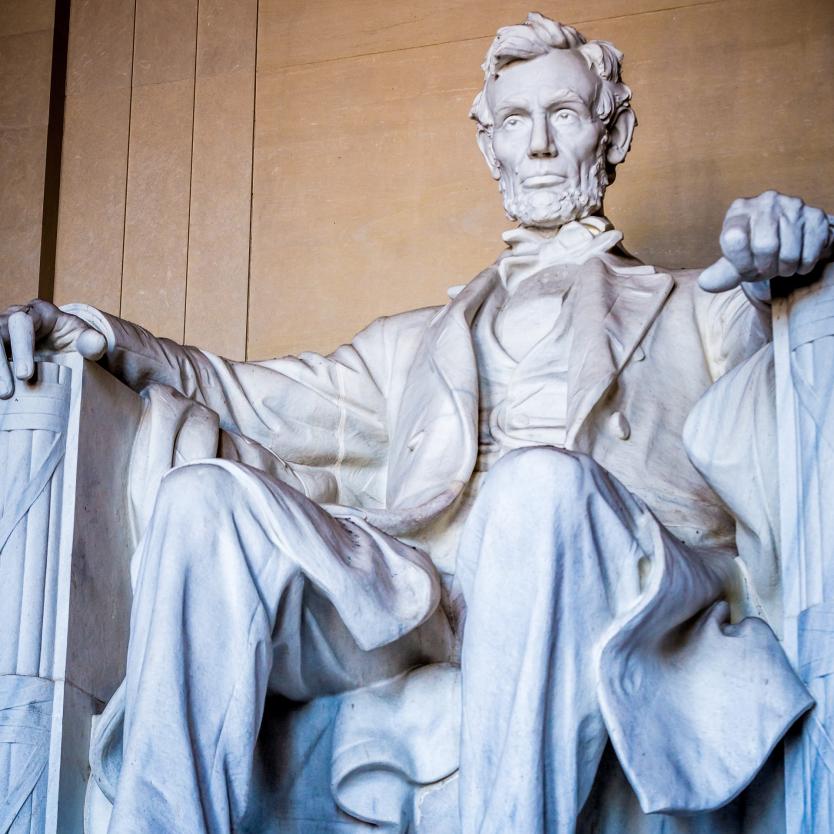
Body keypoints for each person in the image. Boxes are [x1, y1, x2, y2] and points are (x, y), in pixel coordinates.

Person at [1, 12, 829, 834]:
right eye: (516, 120)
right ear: (490, 147)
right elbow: (253, 395)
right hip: (426, 592)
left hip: (607, 576)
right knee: (201, 500)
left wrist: (784, 266)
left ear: (612, 135)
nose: (539, 144)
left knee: (533, 487)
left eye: (565, 116)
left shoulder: (701, 302)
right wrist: (103, 337)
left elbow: (774, 402)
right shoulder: (417, 345)